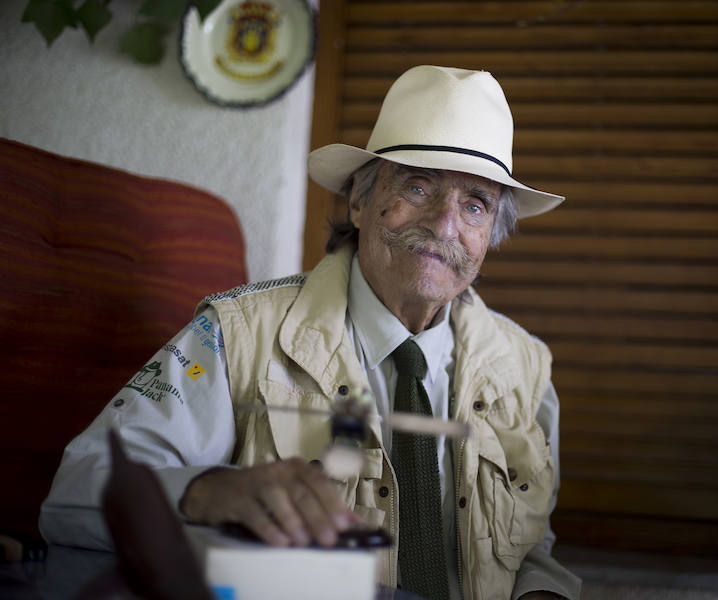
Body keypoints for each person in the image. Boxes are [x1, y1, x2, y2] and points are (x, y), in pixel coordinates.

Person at [40, 65, 582, 600]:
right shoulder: (238, 334)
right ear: (360, 200)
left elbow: (532, 543)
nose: (445, 225)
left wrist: (541, 590)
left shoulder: (526, 367)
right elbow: (77, 490)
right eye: (418, 186)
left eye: (475, 205)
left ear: (491, 235)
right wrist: (211, 491)